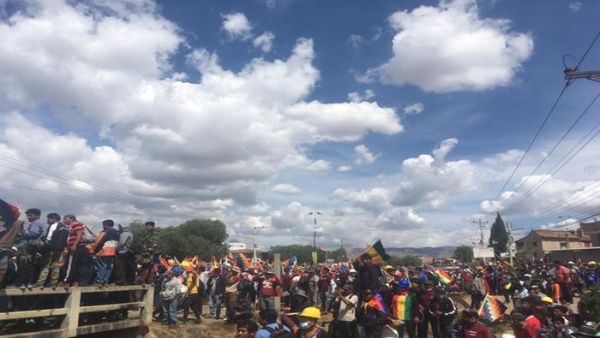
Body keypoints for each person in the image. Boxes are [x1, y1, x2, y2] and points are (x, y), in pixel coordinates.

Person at [36, 213, 69, 287]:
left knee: (45, 266)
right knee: (55, 266)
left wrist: (44, 245)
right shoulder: (65, 227)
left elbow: (48, 238)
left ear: (53, 219)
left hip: (50, 248)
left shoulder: (52, 226)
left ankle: (40, 283)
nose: (47, 221)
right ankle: (53, 283)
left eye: (48, 219)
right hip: (59, 250)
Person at [90, 219, 119, 285]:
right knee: (109, 266)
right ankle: (105, 280)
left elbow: (98, 242)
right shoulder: (117, 232)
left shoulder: (105, 232)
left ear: (105, 225)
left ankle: (99, 281)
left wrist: (93, 250)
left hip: (103, 252)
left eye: (103, 225)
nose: (103, 226)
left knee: (101, 266)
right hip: (112, 252)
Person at [60, 214, 85, 286]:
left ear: (71, 219)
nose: (64, 220)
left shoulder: (75, 224)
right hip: (74, 247)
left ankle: (66, 281)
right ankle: (74, 281)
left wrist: (74, 245)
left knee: (70, 265)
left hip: (76, 247)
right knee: (74, 264)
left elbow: (79, 234)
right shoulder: (71, 226)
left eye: (65, 218)